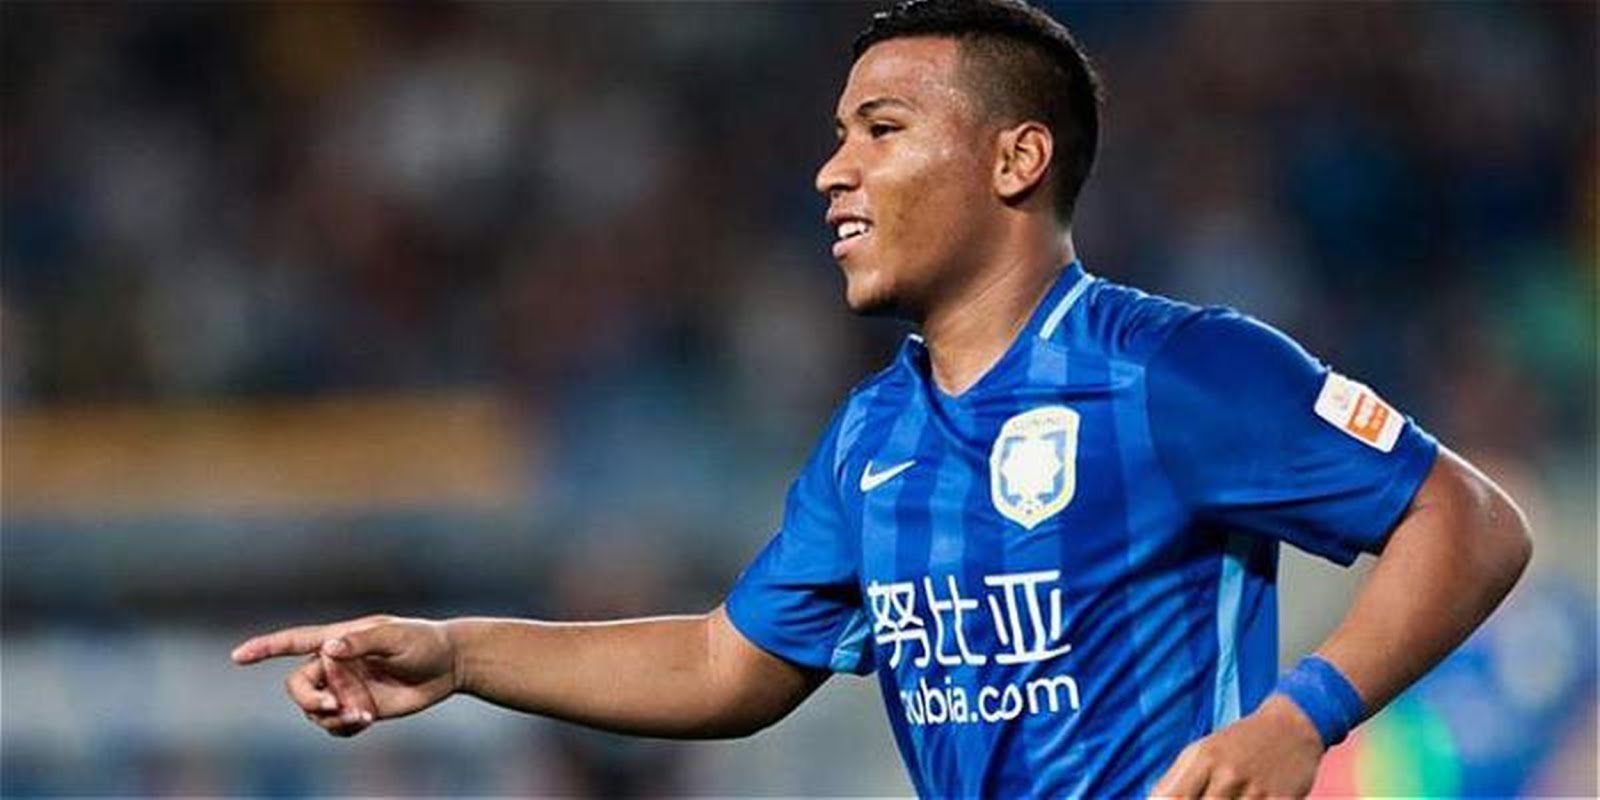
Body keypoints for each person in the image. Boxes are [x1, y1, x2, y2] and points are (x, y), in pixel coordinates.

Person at [231, 1, 1533, 796]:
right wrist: (463, 655)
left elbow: (1469, 521)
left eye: (881, 128)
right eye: (837, 134)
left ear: (1017, 159)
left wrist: (1301, 719)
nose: (831, 170)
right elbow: (726, 663)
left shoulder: (1173, 369)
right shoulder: (876, 436)